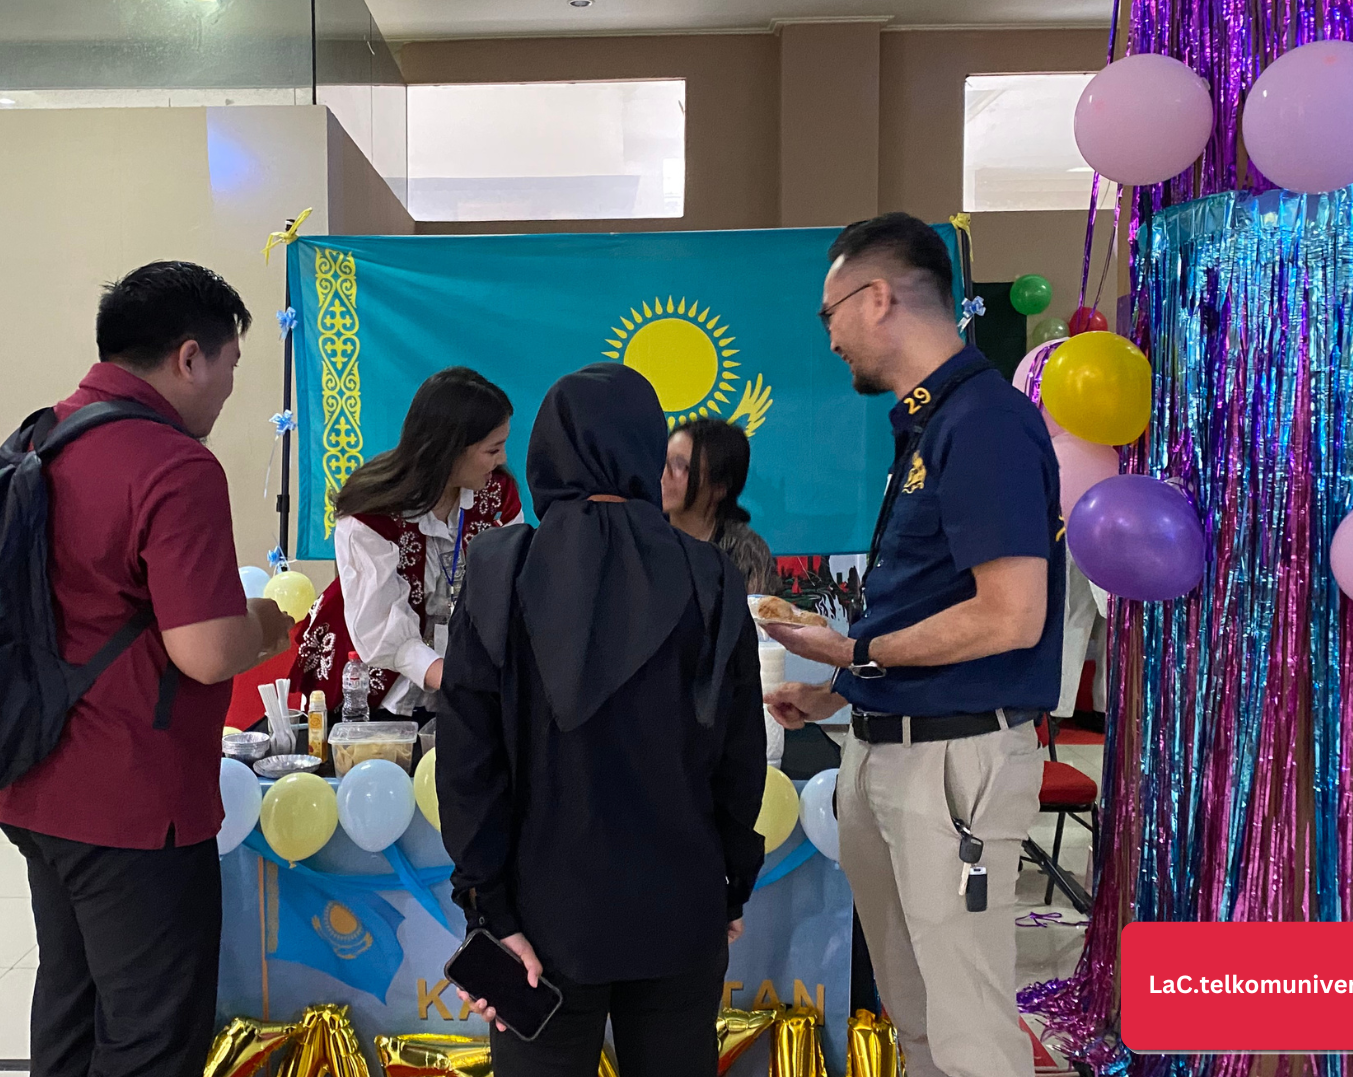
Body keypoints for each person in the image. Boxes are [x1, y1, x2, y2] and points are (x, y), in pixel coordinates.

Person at [763, 214, 1062, 1077]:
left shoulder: (987, 422)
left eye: (829, 315)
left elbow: (1010, 616)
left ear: (878, 296)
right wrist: (839, 688)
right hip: (885, 748)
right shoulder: (926, 425)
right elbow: (931, 602)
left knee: (966, 1018)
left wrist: (852, 656)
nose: (828, 339)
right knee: (915, 1013)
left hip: (953, 761)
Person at [0, 261, 295, 1077]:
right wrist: (265, 622)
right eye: (231, 363)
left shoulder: (41, 434)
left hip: (31, 778)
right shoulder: (174, 465)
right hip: (132, 797)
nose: (231, 386)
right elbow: (205, 650)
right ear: (190, 357)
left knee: (73, 1000)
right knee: (152, 1031)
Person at [438, 363, 767, 1077]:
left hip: (539, 922)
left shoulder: (500, 569)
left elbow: (467, 763)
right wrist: (731, 881)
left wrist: (490, 915)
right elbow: (742, 756)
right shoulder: (710, 576)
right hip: (681, 906)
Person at [291, 367, 521, 719]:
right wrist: (453, 678)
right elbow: (379, 630)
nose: (502, 460)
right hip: (372, 685)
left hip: (464, 682)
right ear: (451, 450)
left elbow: (512, 586)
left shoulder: (495, 496)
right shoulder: (372, 513)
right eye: (493, 449)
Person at [663, 417, 781, 596]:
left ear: (719, 488)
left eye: (681, 466)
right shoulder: (641, 535)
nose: (663, 474)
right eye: (663, 460)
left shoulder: (746, 552)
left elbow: (762, 620)